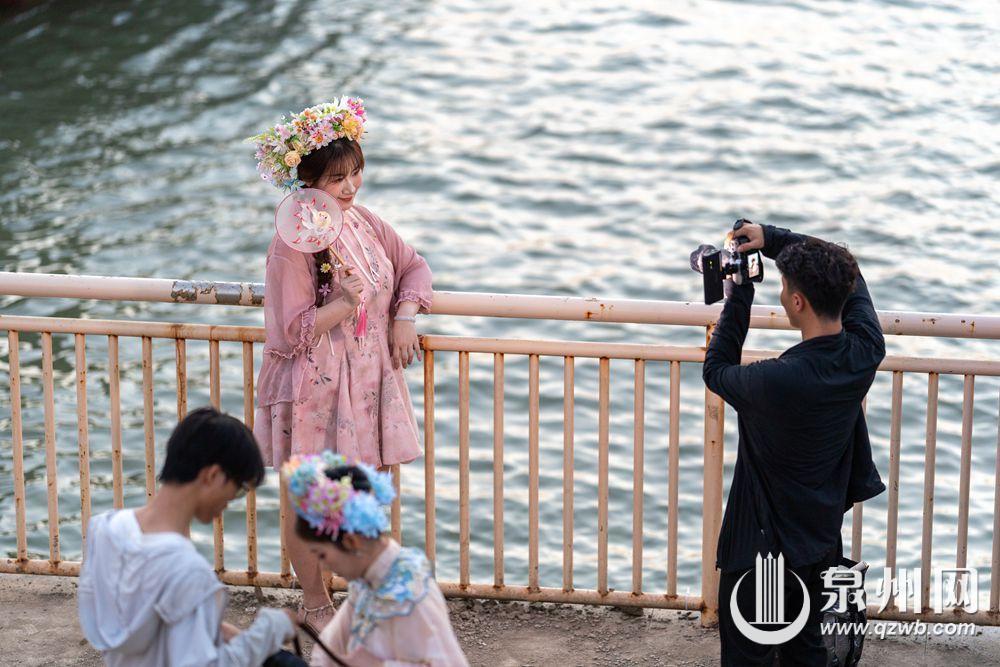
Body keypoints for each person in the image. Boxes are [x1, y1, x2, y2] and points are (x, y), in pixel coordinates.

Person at [248, 98, 433, 631]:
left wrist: (404, 316)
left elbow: (414, 266)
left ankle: (367, 593)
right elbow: (288, 332)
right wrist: (343, 304)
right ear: (306, 180)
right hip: (316, 385)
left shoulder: (365, 221)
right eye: (336, 178)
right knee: (311, 499)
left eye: (355, 173)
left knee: (366, 493)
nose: (350, 187)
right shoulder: (293, 242)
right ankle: (314, 600)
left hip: (369, 378)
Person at [701, 221, 886, 666]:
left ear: (798, 302)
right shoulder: (865, 352)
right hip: (819, 544)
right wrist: (773, 237)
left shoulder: (775, 380)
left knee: (749, 657)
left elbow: (716, 369)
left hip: (760, 553)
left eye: (785, 289)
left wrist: (739, 295)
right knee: (806, 652)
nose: (783, 295)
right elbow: (851, 273)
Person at [78, 407, 298, 666]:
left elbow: (150, 617)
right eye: (238, 490)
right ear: (212, 476)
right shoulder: (188, 571)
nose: (231, 501)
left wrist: (210, 626)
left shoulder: (104, 529)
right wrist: (269, 630)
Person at [282, 452, 468, 666]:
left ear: (351, 542)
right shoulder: (369, 577)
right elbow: (331, 646)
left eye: (322, 554)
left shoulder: (409, 596)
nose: (323, 565)